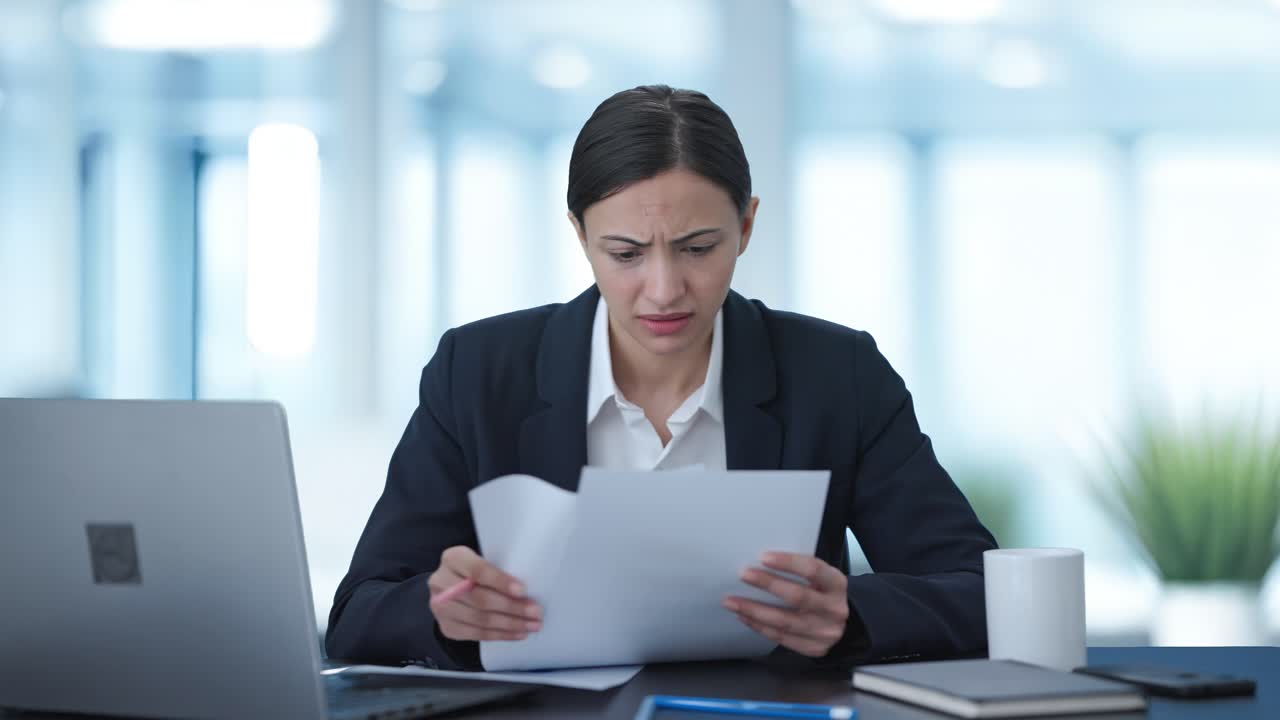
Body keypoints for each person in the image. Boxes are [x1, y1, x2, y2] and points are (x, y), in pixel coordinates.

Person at [325, 84, 996, 671]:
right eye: (625, 253)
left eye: (699, 248)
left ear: (748, 225)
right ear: (580, 236)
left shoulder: (838, 374)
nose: (664, 290)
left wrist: (851, 611)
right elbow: (358, 617)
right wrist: (443, 611)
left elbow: (982, 590)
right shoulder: (477, 372)